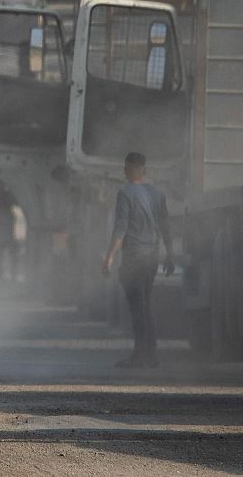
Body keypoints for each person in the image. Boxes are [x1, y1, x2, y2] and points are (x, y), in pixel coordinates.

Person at [102, 151, 173, 368]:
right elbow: (165, 226)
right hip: (152, 257)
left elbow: (121, 227)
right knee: (146, 304)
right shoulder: (157, 194)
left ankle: (140, 355)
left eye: (126, 168)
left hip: (133, 257)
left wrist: (109, 256)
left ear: (126, 170)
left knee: (137, 307)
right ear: (144, 170)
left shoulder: (125, 193)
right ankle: (150, 354)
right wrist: (169, 254)